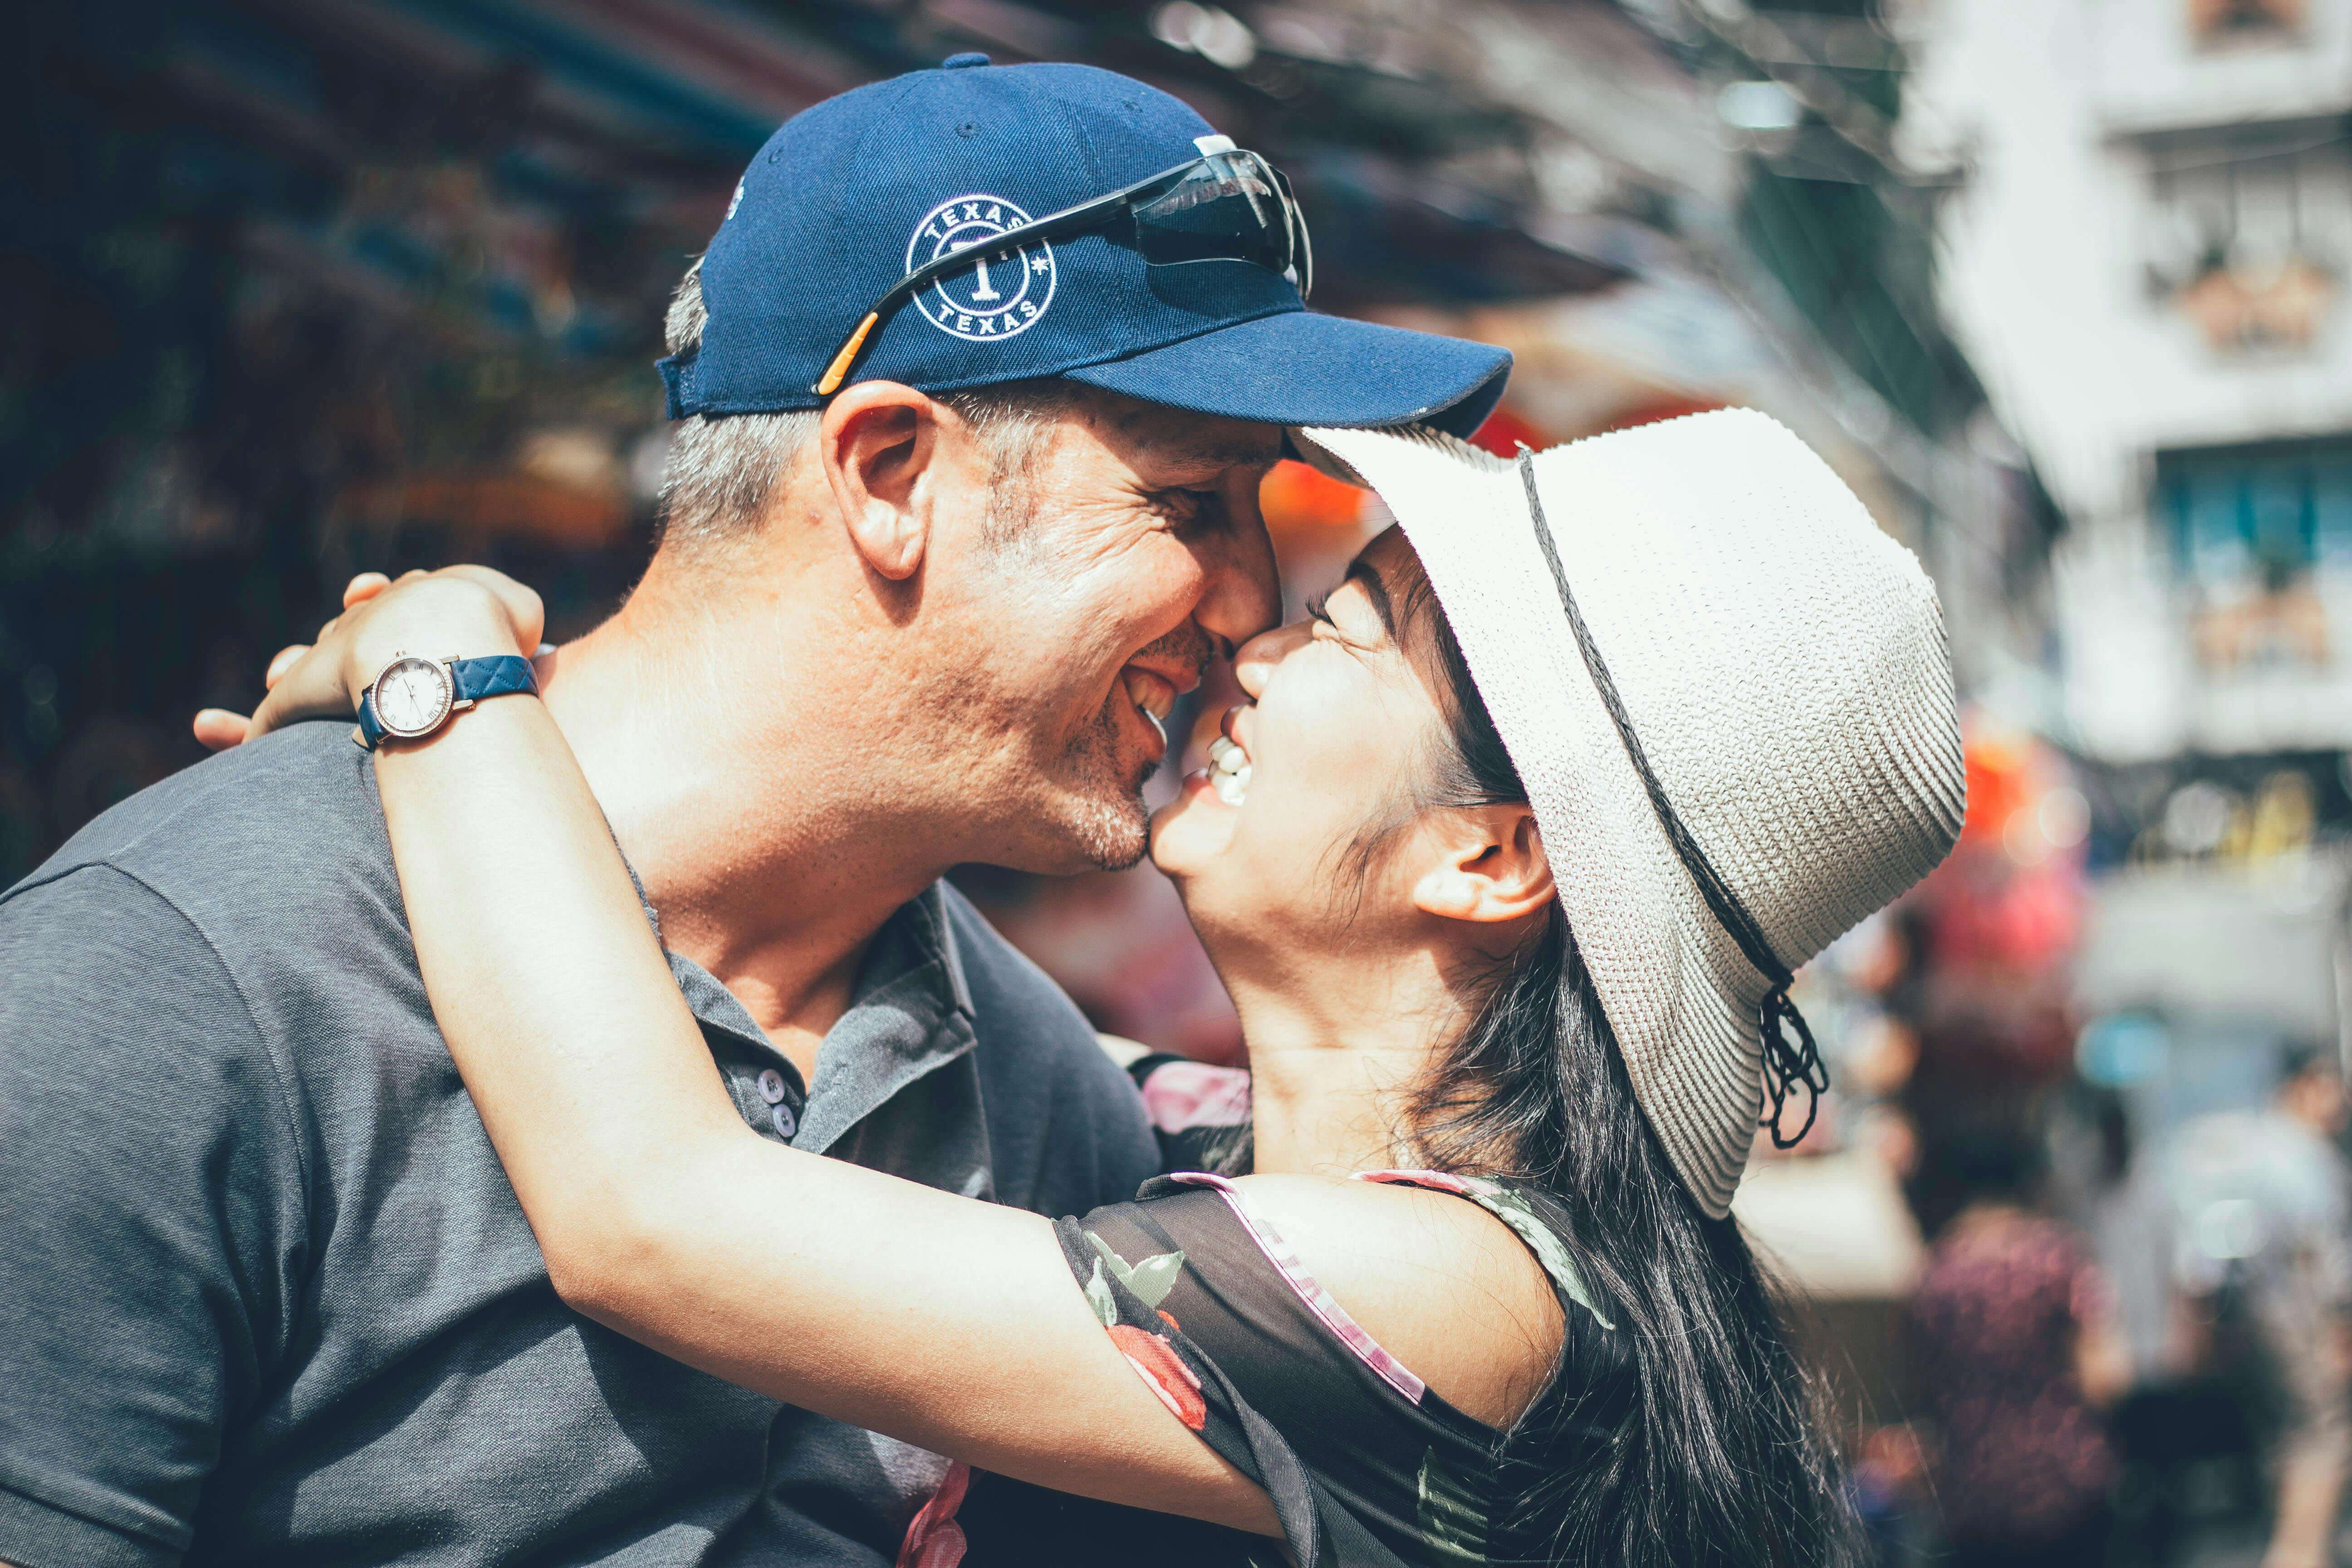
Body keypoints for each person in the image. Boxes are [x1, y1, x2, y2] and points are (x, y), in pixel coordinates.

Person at [0, 59, 1514, 1568]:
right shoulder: (169, 984)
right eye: (1188, 503)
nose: (1249, 604)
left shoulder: (1036, 1084)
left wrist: (432, 654)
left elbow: (654, 1203)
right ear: (890, 471)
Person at [221, 410, 1968, 1566]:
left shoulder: (1471, 1297)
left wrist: (436, 658)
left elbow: (651, 1213)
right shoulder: (1205, 1138)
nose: (1249, 637)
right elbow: (877, 912)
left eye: (1347, 629)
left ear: (1493, 857)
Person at [1904, 1126, 2130, 1568]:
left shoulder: (1932, 1275)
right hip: (2066, 1488)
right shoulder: (2057, 1257)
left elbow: (1919, 1388)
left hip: (1972, 1498)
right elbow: (2106, 1379)